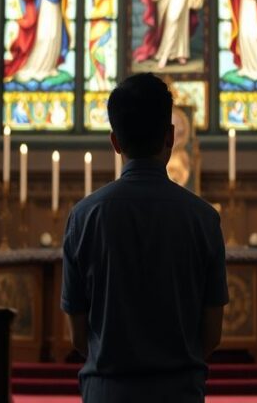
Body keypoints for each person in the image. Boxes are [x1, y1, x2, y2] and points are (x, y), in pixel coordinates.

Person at [61, 73, 228, 402]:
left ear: (115, 142)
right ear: (170, 137)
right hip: (178, 393)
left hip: (107, 393)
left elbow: (79, 337)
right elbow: (211, 335)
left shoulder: (84, 218)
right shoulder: (203, 220)